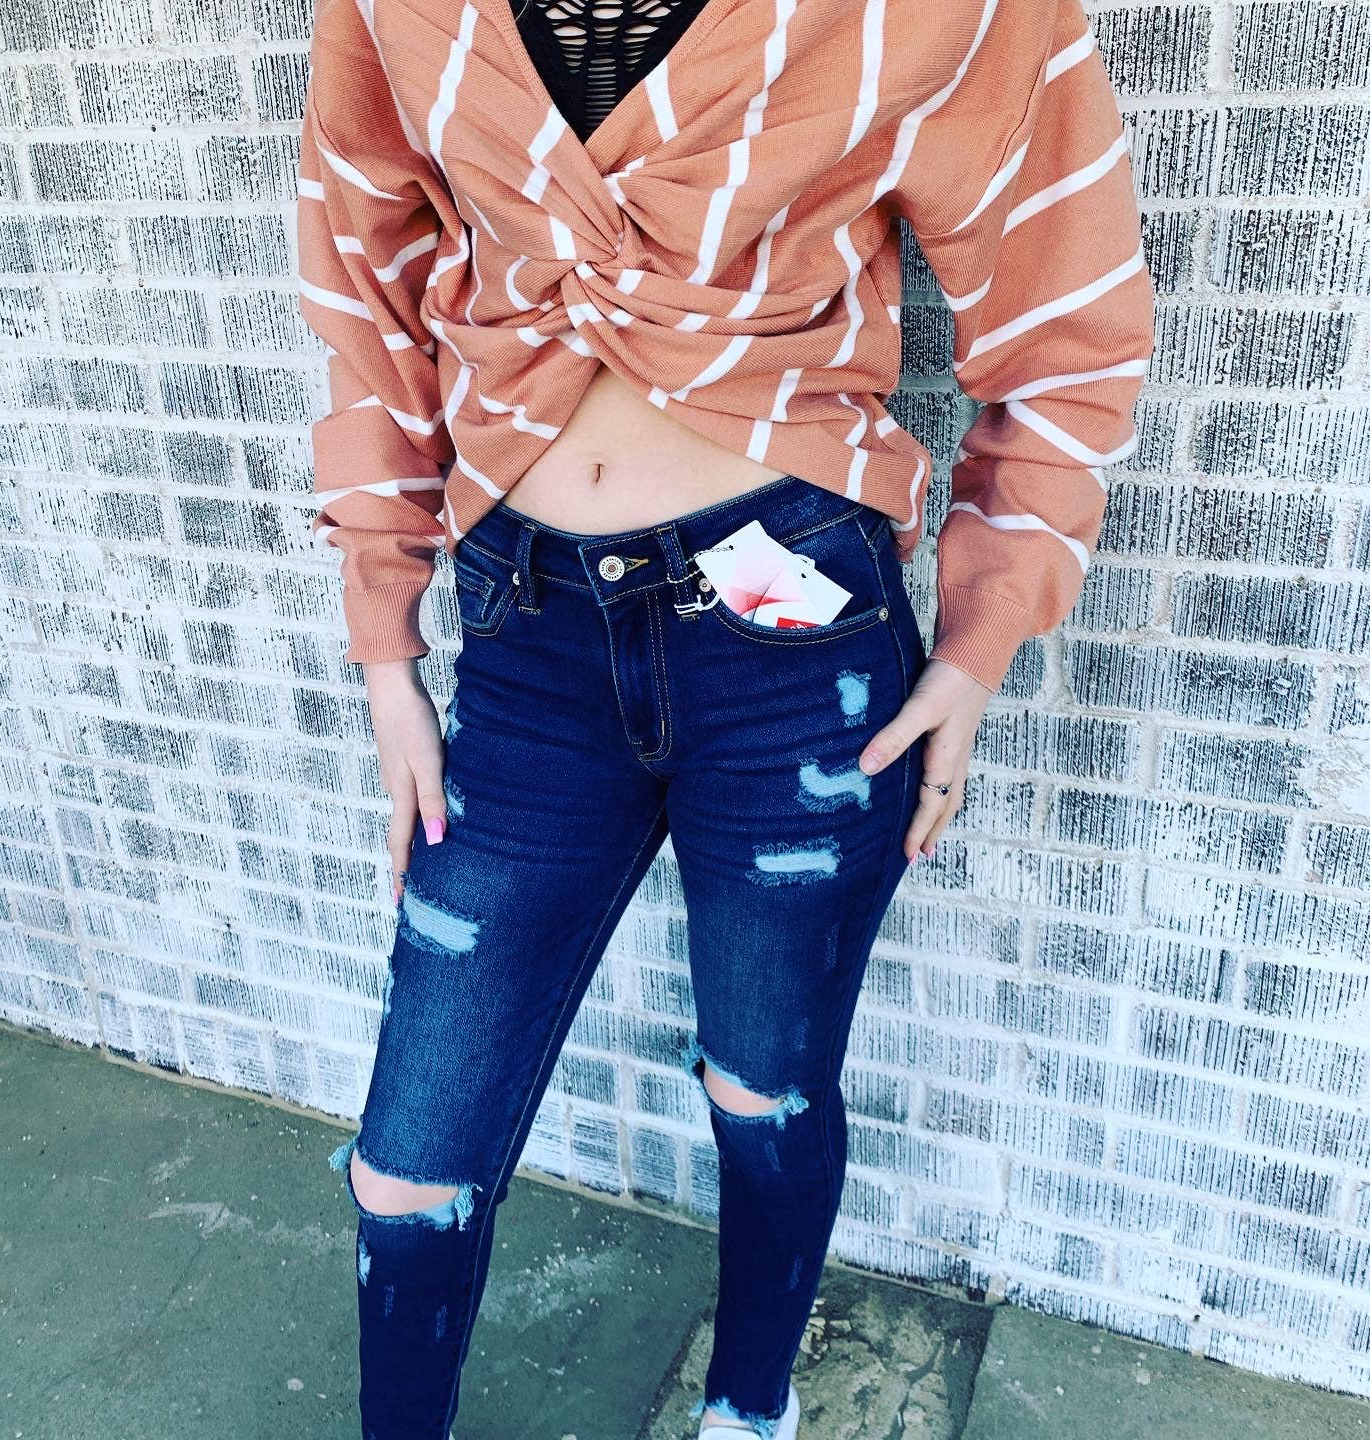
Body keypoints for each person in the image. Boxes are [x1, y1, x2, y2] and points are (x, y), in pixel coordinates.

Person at [295, 0, 1156, 1433]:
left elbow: (1061, 296)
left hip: (790, 630)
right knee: (408, 1166)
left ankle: (750, 1409)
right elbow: (363, 272)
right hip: (526, 632)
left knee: (765, 1087)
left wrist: (982, 635)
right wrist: (386, 641)